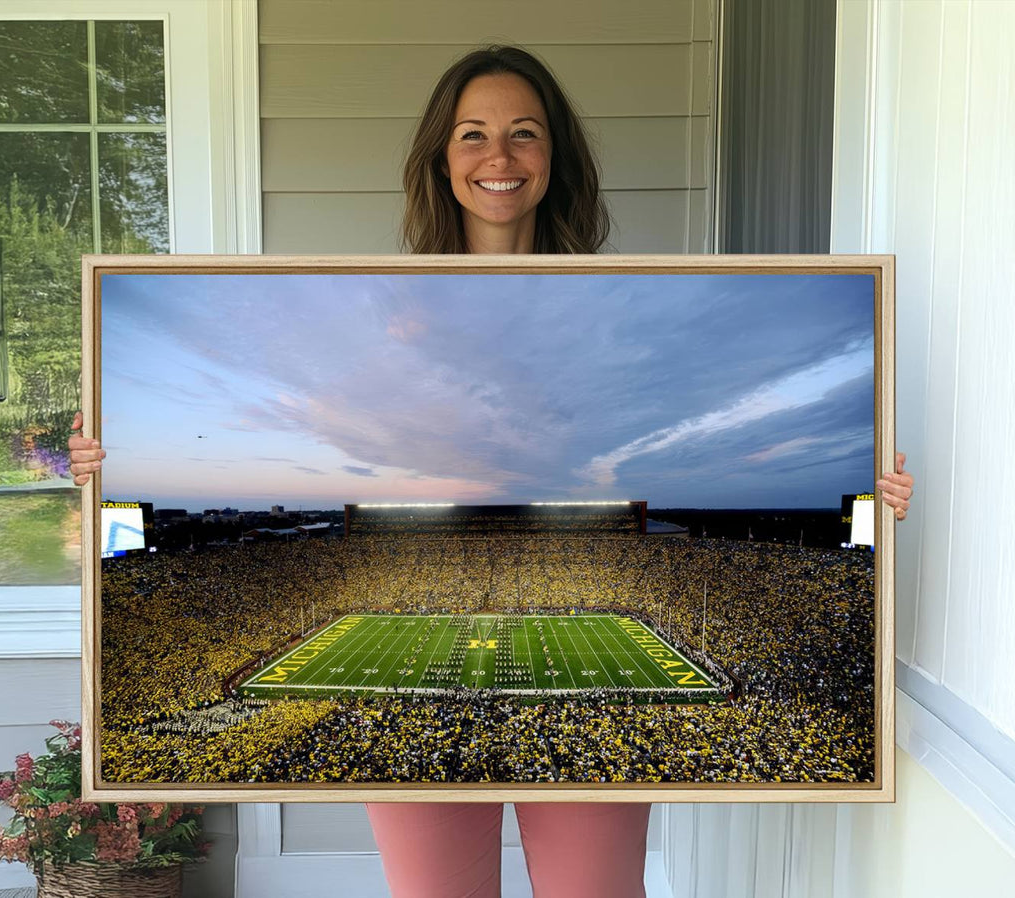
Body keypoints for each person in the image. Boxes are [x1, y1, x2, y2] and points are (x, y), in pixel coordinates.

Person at [70, 45, 914, 898]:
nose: (498, 157)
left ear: (555, 158)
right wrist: (106, 462)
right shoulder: (387, 308)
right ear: (442, 157)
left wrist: (873, 498)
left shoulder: (611, 309)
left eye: (524, 134)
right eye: (473, 134)